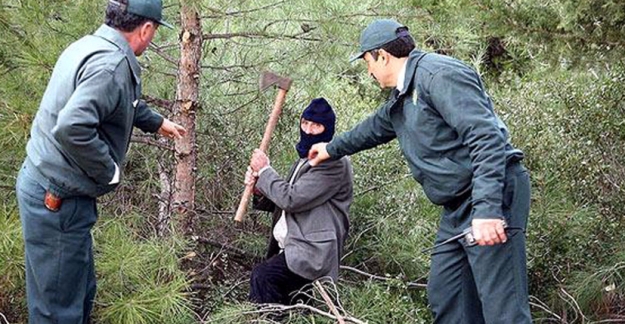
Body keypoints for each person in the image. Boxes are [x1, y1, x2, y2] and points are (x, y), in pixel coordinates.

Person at [308, 19, 531, 323]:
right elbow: (375, 127)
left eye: (367, 62)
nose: (368, 71)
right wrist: (330, 149)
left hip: (489, 195)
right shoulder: (403, 94)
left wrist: (488, 209)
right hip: (456, 207)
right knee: (448, 299)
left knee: (502, 310)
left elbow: (486, 138)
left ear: (382, 56)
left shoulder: (439, 75)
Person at [15, 1, 184, 323]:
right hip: (58, 200)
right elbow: (72, 127)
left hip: (49, 188)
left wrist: (155, 121)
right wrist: (109, 171)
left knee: (76, 292)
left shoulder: (91, 45)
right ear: (146, 28)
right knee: (58, 311)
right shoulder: (111, 65)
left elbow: (119, 100)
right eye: (155, 31)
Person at [246, 98, 353, 305]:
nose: (309, 130)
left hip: (311, 252)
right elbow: (284, 200)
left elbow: (292, 199)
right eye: (305, 123)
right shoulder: (304, 160)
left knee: (264, 276)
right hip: (291, 248)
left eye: (316, 125)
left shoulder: (334, 162)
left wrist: (266, 170)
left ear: (327, 128)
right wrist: (258, 187)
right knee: (295, 308)